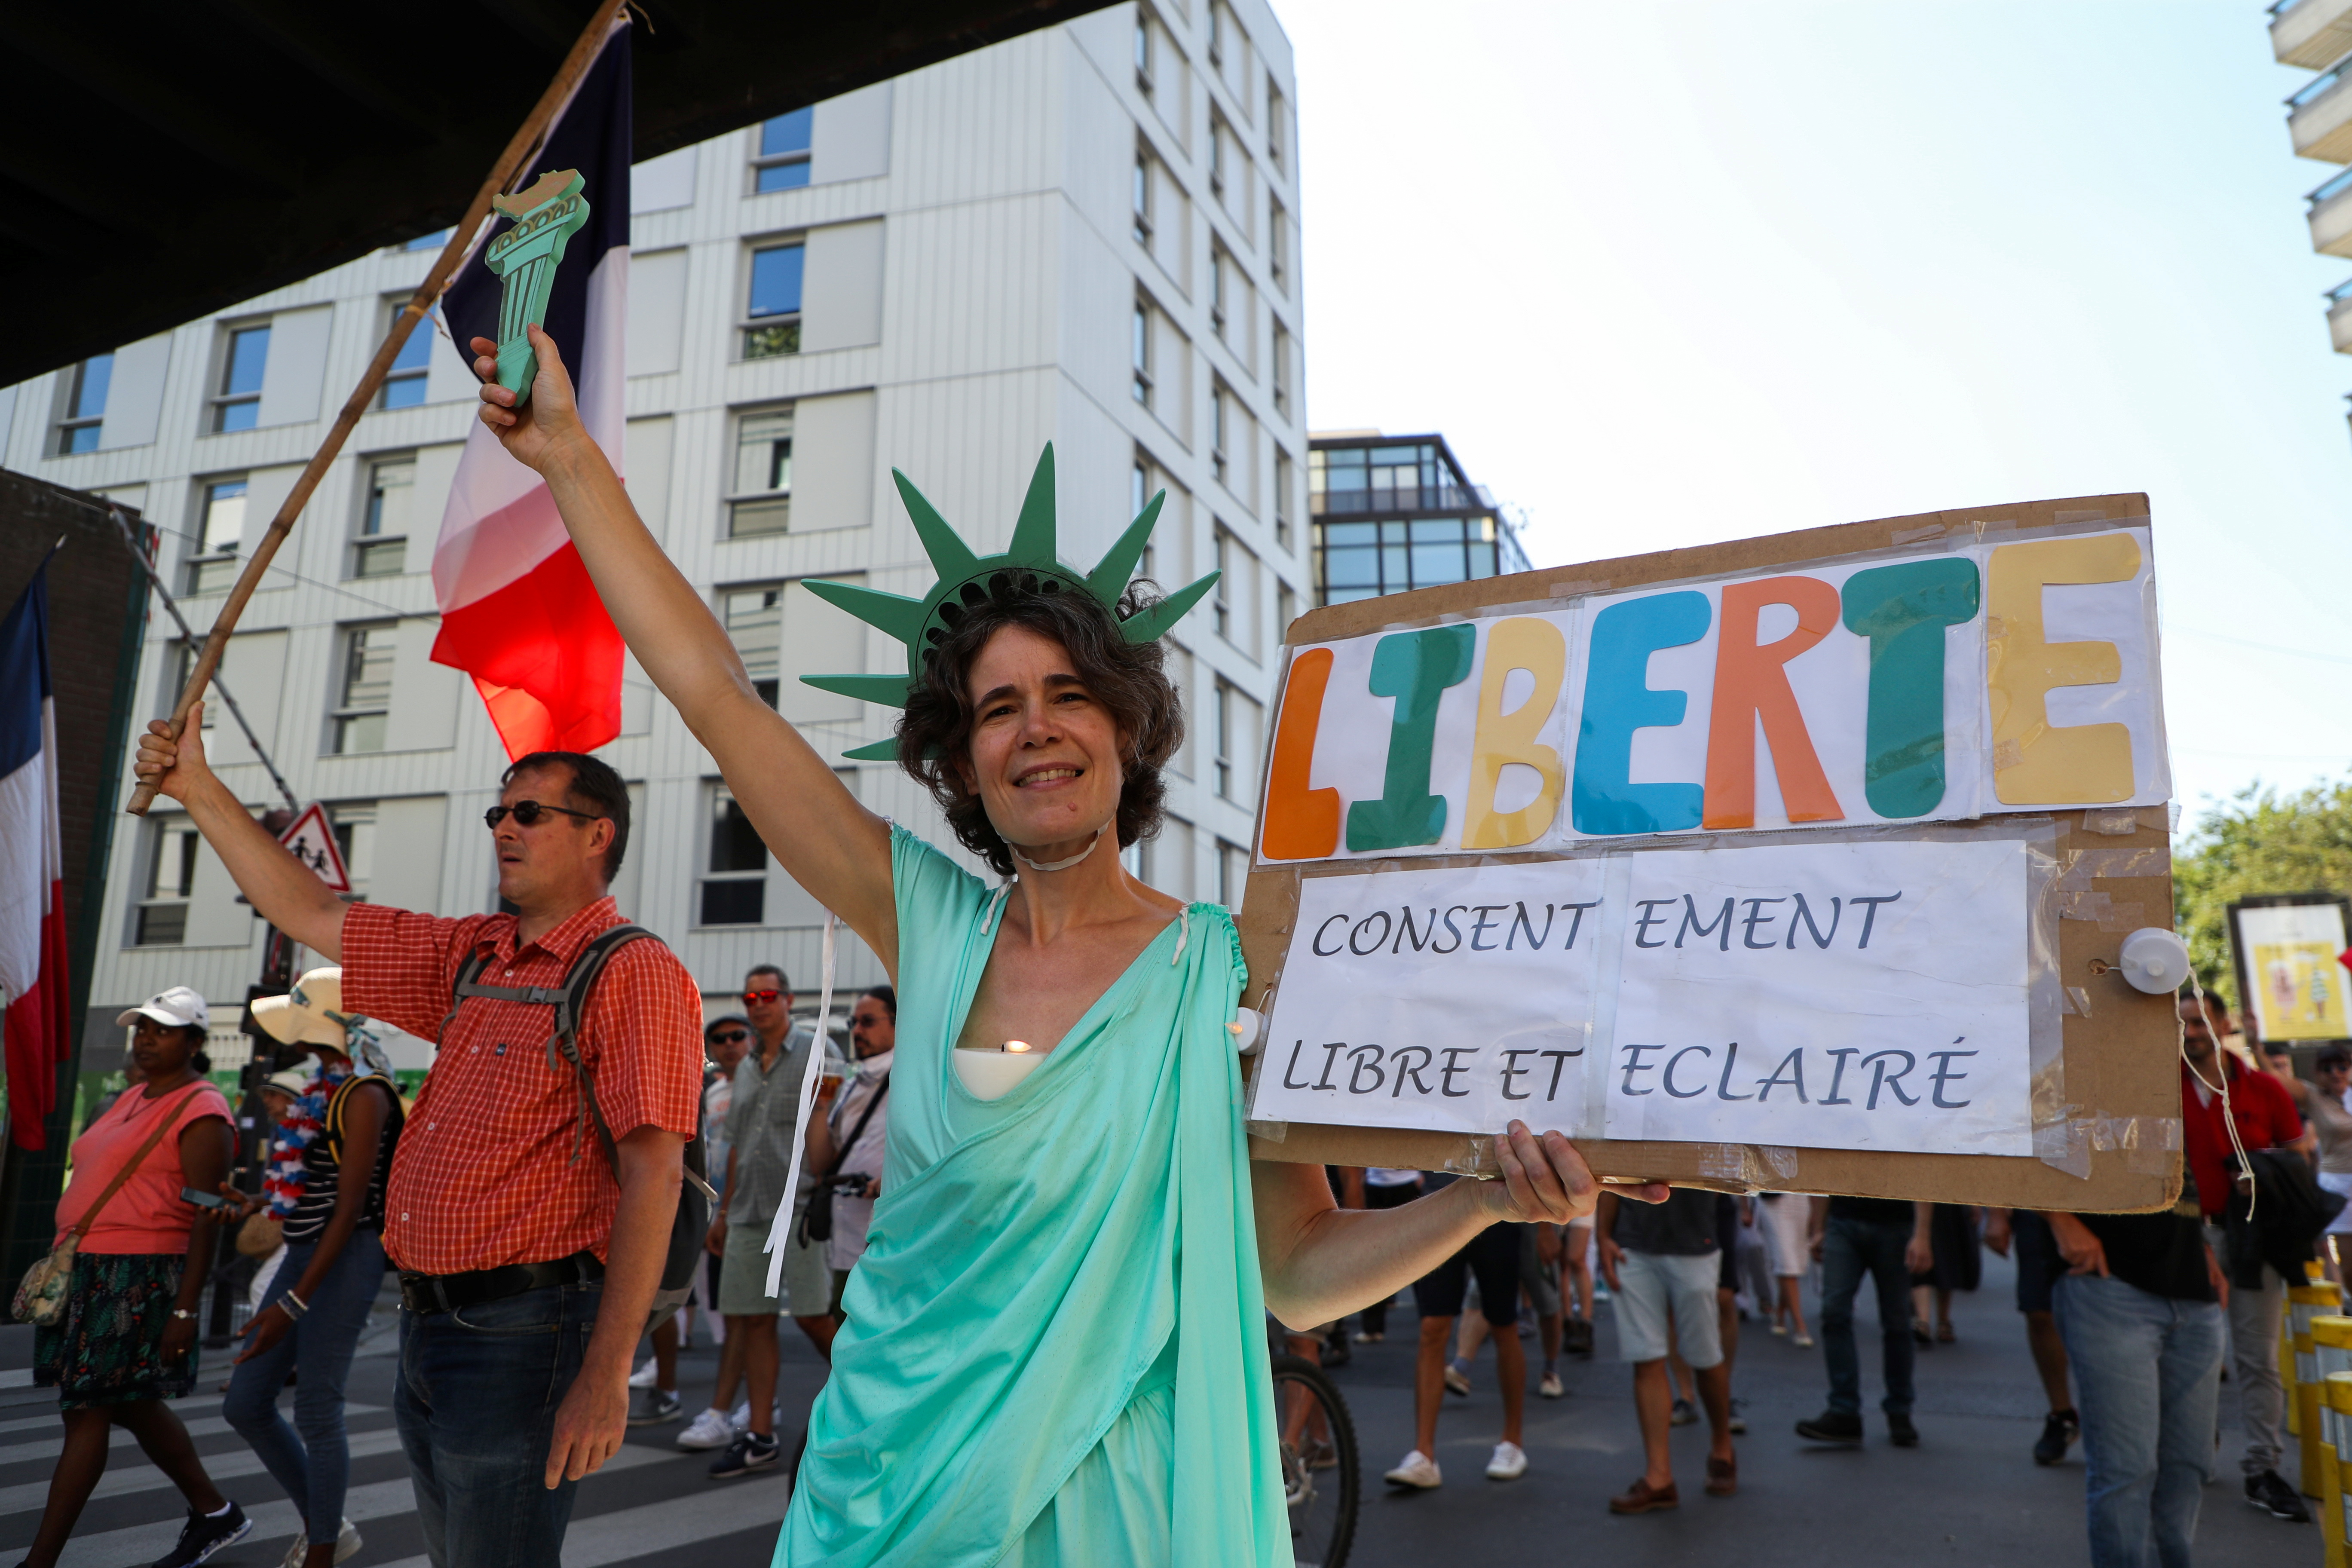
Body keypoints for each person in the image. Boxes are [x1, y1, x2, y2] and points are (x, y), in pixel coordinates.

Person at [469, 324, 1646, 1563]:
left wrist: (1482, 1198)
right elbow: (714, 689)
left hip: (1115, 1515)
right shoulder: (920, 917)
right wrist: (567, 461)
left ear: (1126, 732)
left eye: (1069, 694)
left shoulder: (1224, 973)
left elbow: (1296, 1274)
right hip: (885, 1494)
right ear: (961, 761)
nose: (1037, 729)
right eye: (998, 708)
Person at [130, 726, 703, 1568]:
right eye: (499, 813)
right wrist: (198, 787)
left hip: (526, 1330)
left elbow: (655, 1171)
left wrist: (607, 1375)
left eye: (531, 813)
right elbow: (316, 912)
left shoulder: (631, 969)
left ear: (597, 833)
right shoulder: (475, 955)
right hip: (431, 1326)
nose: (505, 828)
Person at [21, 988, 248, 1568]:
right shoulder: (130, 1098)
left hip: (140, 1275)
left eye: (163, 1030)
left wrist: (185, 1310)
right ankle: (216, 1513)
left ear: (196, 1043)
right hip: (88, 1267)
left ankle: (40, 1561)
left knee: (88, 1410)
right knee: (130, 1403)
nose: (146, 1039)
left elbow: (206, 1215)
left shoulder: (203, 1110)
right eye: (141, 1028)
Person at [220, 968, 405, 1568]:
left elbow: (351, 1208)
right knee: (245, 1403)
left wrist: (293, 1303)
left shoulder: (366, 1094)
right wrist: (257, 1202)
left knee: (318, 1408)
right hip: (307, 1249)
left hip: (347, 1257)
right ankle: (328, 1522)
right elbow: (319, 1188)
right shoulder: (325, 1088)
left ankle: (323, 1549)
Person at [704, 963, 841, 1479]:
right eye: (750, 997)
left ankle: (875, 1404)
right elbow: (738, 1143)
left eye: (766, 995)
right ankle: (760, 1434)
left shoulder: (818, 1052)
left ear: (788, 999)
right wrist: (723, 1211)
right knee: (753, 1320)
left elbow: (836, 1123)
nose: (757, 1004)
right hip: (748, 1211)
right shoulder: (743, 1067)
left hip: (800, 1206)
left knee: (811, 1316)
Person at [2176, 988, 2309, 1522]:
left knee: (2257, 1357)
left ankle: (2262, 1467)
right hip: (2192, 1236)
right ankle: (2193, 1453)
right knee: (2194, 1356)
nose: (2191, 1034)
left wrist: (2263, 1168)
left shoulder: (2261, 1088)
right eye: (2183, 1025)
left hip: (2256, 1234)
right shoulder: (2163, 1091)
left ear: (2223, 1024)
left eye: (2200, 1022)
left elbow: (2299, 1155)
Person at [2043, 1194, 2228, 1568]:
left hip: (2191, 1284)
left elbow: (2180, 1161)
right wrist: (2058, 1217)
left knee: (2188, 1464)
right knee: (2126, 1469)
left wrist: (2202, 1244)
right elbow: (2021, 1137)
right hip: (2112, 1283)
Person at [1597, 1186, 1737, 1512]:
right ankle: (1659, 1476)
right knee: (1646, 1358)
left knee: (1705, 1356)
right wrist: (1603, 1235)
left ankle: (1723, 1447)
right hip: (1633, 1242)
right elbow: (1613, 1168)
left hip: (1694, 1243)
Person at [1386, 1194, 1531, 1489]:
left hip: (1498, 1204)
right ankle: (1423, 1453)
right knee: (1432, 1326)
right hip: (1438, 1203)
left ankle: (1512, 1442)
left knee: (1504, 1325)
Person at [672, 1014, 754, 1450]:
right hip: (718, 1213)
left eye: (737, 1036)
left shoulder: (767, 1083)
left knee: (754, 1319)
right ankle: (753, 1408)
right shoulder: (714, 1091)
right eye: (719, 1039)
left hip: (759, 1215)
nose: (729, 1044)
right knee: (732, 1317)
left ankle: (752, 1410)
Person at [1795, 1194, 1932, 1447]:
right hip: (1844, 1218)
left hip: (1896, 1222)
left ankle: (1899, 1409)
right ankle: (1844, 1410)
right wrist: (1820, 1226)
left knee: (1897, 1321)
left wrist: (1922, 1234)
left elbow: (1924, 1168)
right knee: (1835, 1313)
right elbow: (1831, 1165)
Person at [806, 986, 897, 1301]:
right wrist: (819, 1105)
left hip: (887, 1239)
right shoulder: (852, 1082)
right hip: (845, 1234)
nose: (857, 1031)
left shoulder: (913, 1075)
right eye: (853, 1023)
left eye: (868, 1022)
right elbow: (821, 1163)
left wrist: (891, 1180)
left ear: (899, 1023)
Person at [1986, 1207, 2078, 1467]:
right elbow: (2009, 1163)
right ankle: (2062, 1415)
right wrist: (1997, 1213)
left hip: (2104, 1201)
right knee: (2038, 1310)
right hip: (2039, 1203)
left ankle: (2117, 1420)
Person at [1351, 1169, 1424, 1343]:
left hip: (1408, 1183)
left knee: (1419, 1254)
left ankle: (1431, 1318)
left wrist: (1425, 1175)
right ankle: (1372, 1328)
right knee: (1372, 1259)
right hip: (1375, 1185)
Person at [1909, 1203, 1982, 1345]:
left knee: (1946, 1255)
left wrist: (1974, 1201)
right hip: (1926, 1198)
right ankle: (1928, 1320)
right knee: (1933, 1254)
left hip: (1946, 1198)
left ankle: (1935, 1320)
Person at [2309, 1044, 2352, 1282]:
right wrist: (2255, 1046)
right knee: (2347, 1265)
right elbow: (2277, 1079)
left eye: (2342, 1066)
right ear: (2318, 1073)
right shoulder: (2314, 1097)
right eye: (2328, 1068)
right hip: (2338, 1187)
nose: (2336, 1072)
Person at [1755, 1191, 1813, 1346]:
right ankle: (1800, 1325)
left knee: (1795, 1259)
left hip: (1801, 1192)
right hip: (1774, 1192)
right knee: (1786, 1258)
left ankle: (1780, 1313)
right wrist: (1744, 1208)